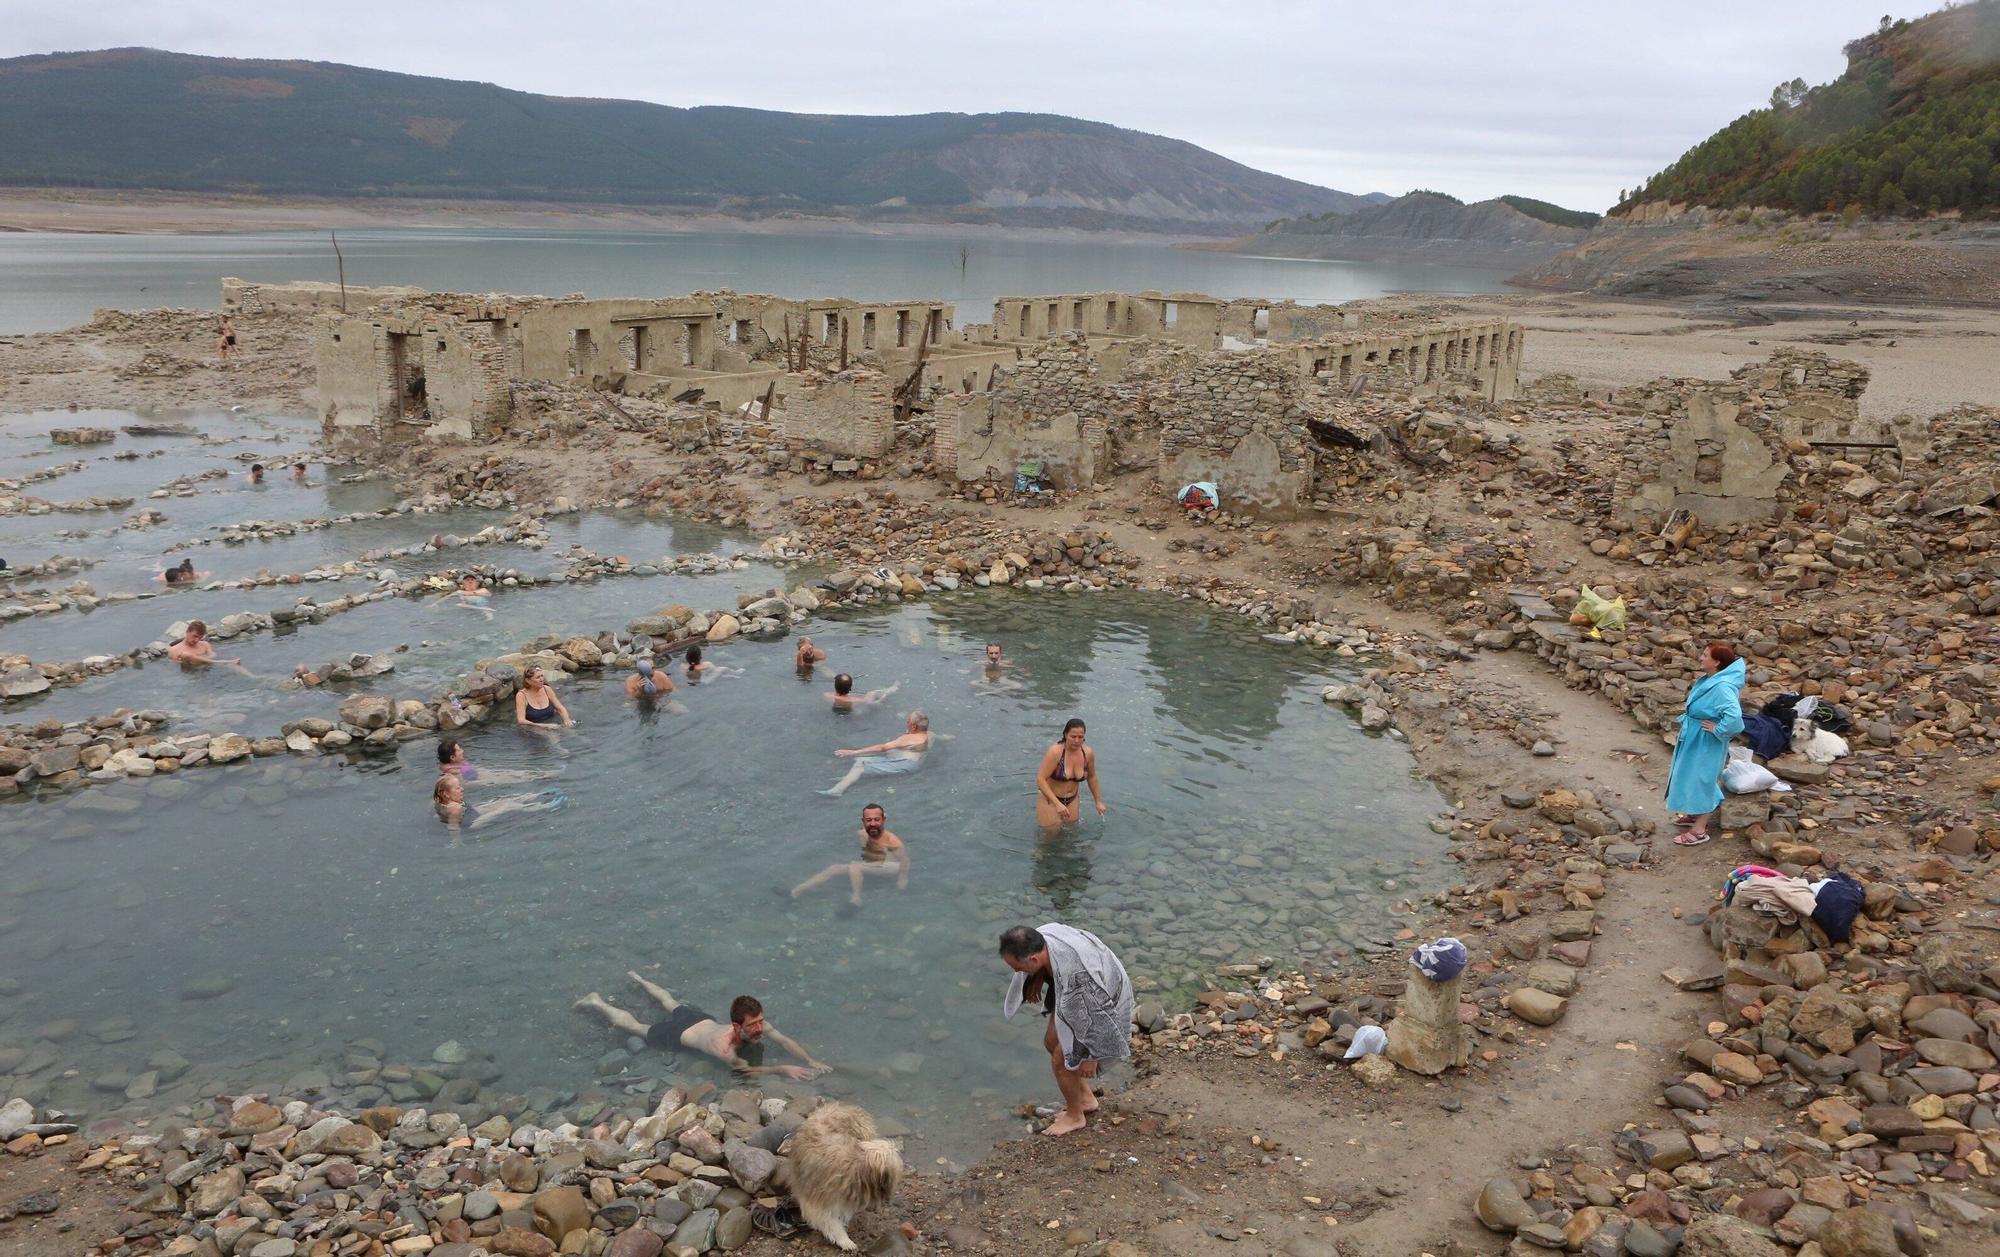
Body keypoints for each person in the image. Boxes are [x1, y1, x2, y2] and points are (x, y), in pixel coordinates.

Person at [998, 923, 1133, 1137]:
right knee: (1051, 1042)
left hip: (1104, 993)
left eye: (1020, 969)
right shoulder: (1040, 938)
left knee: (1062, 1061)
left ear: (1034, 960)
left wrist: (1091, 1055)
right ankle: (1086, 1099)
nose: (1018, 973)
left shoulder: (1076, 972)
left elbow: (1097, 1011)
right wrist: (1037, 976)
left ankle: (1075, 1116)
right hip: (1073, 990)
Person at [574, 974, 830, 1081]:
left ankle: (639, 979)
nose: (760, 1028)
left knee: (670, 1001)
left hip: (700, 1019)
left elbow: (785, 1041)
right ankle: (595, 1001)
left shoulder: (757, 1024)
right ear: (736, 1025)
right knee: (634, 1026)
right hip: (678, 1035)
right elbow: (747, 1071)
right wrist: (782, 1068)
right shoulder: (723, 1048)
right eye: (753, 1025)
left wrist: (811, 1059)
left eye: (760, 1021)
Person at [1669, 641, 1747, 846]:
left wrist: (1718, 729)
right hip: (1695, 734)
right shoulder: (1711, 679)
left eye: (1705, 655)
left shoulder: (1722, 687)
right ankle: (1694, 813)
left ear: (1717, 662)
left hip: (1706, 739)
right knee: (1689, 774)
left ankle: (1700, 829)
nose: (1701, 658)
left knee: (1702, 778)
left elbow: (1735, 718)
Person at [790, 803, 910, 906]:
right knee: (835, 868)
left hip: (892, 866)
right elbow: (867, 852)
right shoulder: (865, 834)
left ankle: (856, 898)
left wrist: (902, 878)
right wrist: (864, 838)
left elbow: (904, 859)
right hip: (875, 863)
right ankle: (797, 890)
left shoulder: (890, 838)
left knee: (855, 866)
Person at [820, 711, 930, 796]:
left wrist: (853, 752)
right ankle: (848, 778)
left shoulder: (907, 738)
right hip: (911, 763)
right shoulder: (929, 735)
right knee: (861, 760)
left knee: (861, 766)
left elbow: (882, 747)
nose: (906, 724)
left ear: (914, 726)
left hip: (906, 765)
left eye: (907, 722)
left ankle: (838, 790)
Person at [1036, 718, 1105, 831]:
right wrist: (1057, 804)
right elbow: (1040, 779)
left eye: (1080, 737)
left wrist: (1098, 801)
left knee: (1071, 832)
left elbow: (1092, 777)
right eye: (1073, 737)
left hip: (1072, 799)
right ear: (1065, 734)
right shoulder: (1055, 752)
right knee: (1050, 835)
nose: (1077, 741)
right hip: (1050, 800)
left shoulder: (1087, 753)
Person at [434, 774, 562, 832]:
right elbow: (453, 827)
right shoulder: (454, 807)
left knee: (505, 800)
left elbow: (442, 810)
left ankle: (538, 795)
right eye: (458, 788)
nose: (462, 751)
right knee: (509, 806)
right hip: (472, 824)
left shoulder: (443, 798)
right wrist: (456, 843)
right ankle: (545, 806)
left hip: (471, 812)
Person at [166, 620, 246, 672]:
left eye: (200, 637)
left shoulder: (204, 644)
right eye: (195, 636)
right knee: (185, 655)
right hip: (190, 672)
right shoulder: (174, 650)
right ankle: (224, 662)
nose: (197, 640)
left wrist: (202, 659)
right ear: (187, 632)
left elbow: (213, 655)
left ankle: (253, 678)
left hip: (208, 669)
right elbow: (174, 668)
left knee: (233, 664)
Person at [825, 673, 899, 710]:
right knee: (873, 694)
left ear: (835, 686)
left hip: (839, 710)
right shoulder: (855, 700)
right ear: (850, 688)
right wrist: (881, 697)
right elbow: (868, 702)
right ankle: (892, 689)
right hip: (852, 712)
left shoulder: (827, 695)